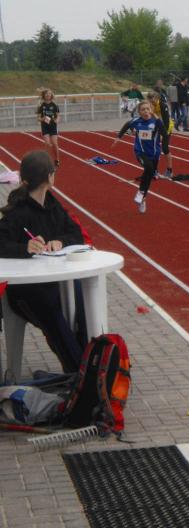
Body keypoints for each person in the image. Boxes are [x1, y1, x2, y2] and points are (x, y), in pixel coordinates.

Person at [0, 150, 86, 372]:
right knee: (51, 307)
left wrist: (60, 241)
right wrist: (25, 248)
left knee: (80, 296)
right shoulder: (17, 212)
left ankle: (86, 364)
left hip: (55, 281)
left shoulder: (52, 204)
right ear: (49, 176)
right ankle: (79, 371)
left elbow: (76, 234)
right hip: (25, 291)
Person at [112, 100, 168, 213]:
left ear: (151, 110)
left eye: (148, 109)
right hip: (140, 152)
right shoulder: (136, 121)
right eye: (143, 109)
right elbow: (127, 125)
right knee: (149, 168)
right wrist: (119, 137)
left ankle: (143, 199)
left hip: (155, 154)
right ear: (139, 112)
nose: (146, 111)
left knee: (149, 174)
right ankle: (141, 192)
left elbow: (164, 134)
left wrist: (157, 119)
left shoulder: (156, 121)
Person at [150, 88, 174, 179]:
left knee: (165, 148)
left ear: (157, 98)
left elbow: (166, 121)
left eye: (152, 98)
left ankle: (169, 170)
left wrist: (162, 134)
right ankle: (154, 170)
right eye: (150, 99)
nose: (151, 100)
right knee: (153, 148)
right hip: (156, 126)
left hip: (166, 127)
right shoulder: (150, 105)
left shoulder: (163, 105)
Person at [37, 89, 61, 167]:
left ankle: (57, 159)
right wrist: (43, 118)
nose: (48, 95)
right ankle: (46, 160)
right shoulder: (41, 106)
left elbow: (58, 116)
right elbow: (38, 118)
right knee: (47, 143)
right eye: (47, 94)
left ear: (51, 95)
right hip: (45, 127)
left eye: (49, 94)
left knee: (54, 143)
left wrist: (57, 120)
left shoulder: (55, 105)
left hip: (53, 126)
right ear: (44, 95)